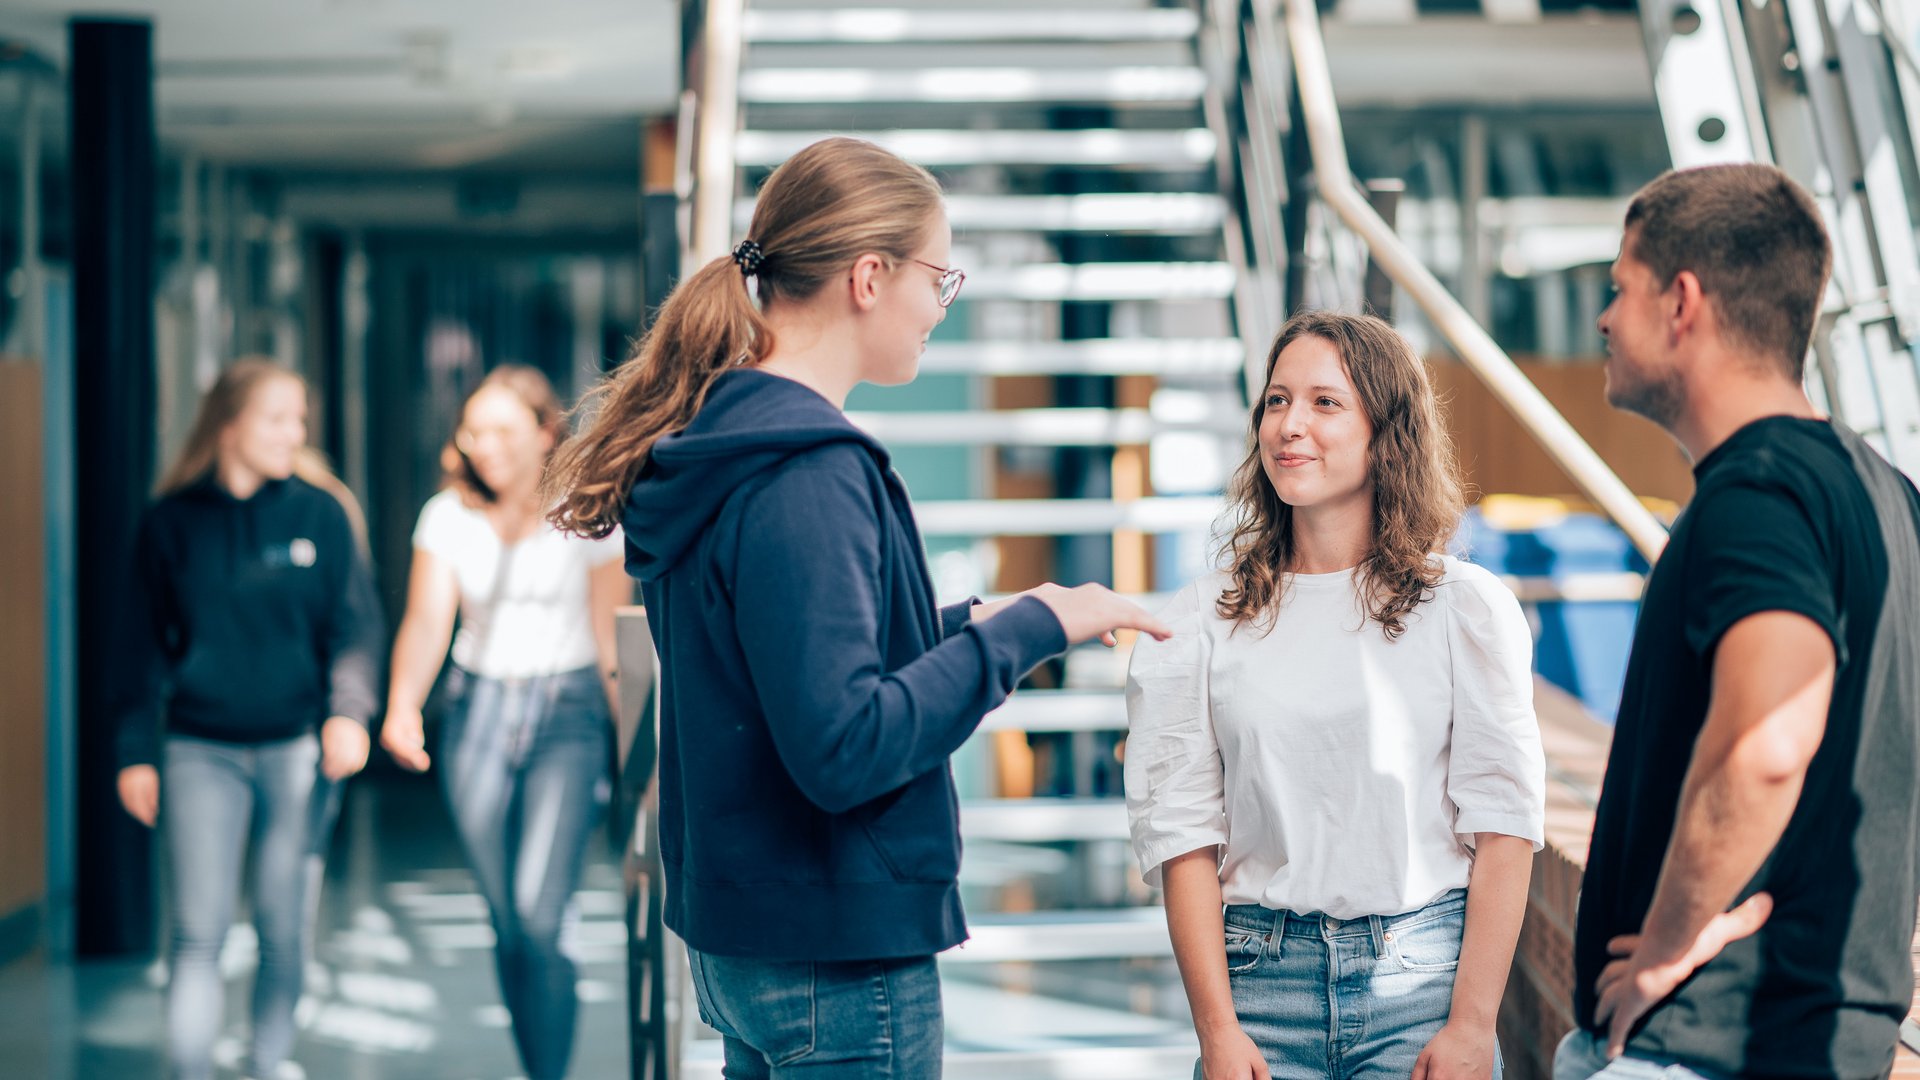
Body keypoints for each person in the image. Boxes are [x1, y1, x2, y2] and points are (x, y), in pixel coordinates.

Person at [545, 136, 1170, 1078]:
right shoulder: (810, 470)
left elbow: (786, 666)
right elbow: (845, 745)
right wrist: (1027, 634)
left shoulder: (725, 445)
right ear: (869, 276)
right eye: (938, 277)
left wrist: (988, 619)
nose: (939, 307)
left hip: (752, 941)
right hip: (833, 957)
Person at [1557, 164, 1920, 1079]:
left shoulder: (1754, 492)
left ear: (1682, 303)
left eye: (1619, 289)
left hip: (1709, 1044)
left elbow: (1767, 742)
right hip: (1832, 1038)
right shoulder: (1891, 500)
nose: (1604, 320)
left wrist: (1664, 954)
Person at [1126, 310, 1546, 1080]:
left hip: (1423, 989)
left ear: (1386, 434)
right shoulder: (1201, 618)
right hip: (1258, 991)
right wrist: (1217, 1032)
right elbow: (1183, 838)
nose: (1290, 424)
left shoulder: (1464, 608)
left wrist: (1471, 1024)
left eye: (1325, 403)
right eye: (1277, 401)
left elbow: (1506, 825)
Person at [110, 358, 384, 1080]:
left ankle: (267, 1065)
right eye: (277, 418)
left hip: (297, 751)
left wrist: (348, 715)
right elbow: (137, 646)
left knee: (282, 931)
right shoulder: (170, 525)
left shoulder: (322, 515)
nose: (294, 433)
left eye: (300, 419)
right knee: (198, 935)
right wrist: (135, 751)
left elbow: (355, 628)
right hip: (198, 750)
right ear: (228, 425)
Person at [379, 364, 626, 1080]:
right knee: (507, 922)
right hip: (478, 710)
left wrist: (641, 752)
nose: (483, 445)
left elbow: (610, 637)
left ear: (546, 433)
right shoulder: (447, 515)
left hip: (569, 715)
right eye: (474, 431)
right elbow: (428, 622)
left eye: (503, 431)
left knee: (540, 917)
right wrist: (402, 705)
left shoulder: (587, 506)